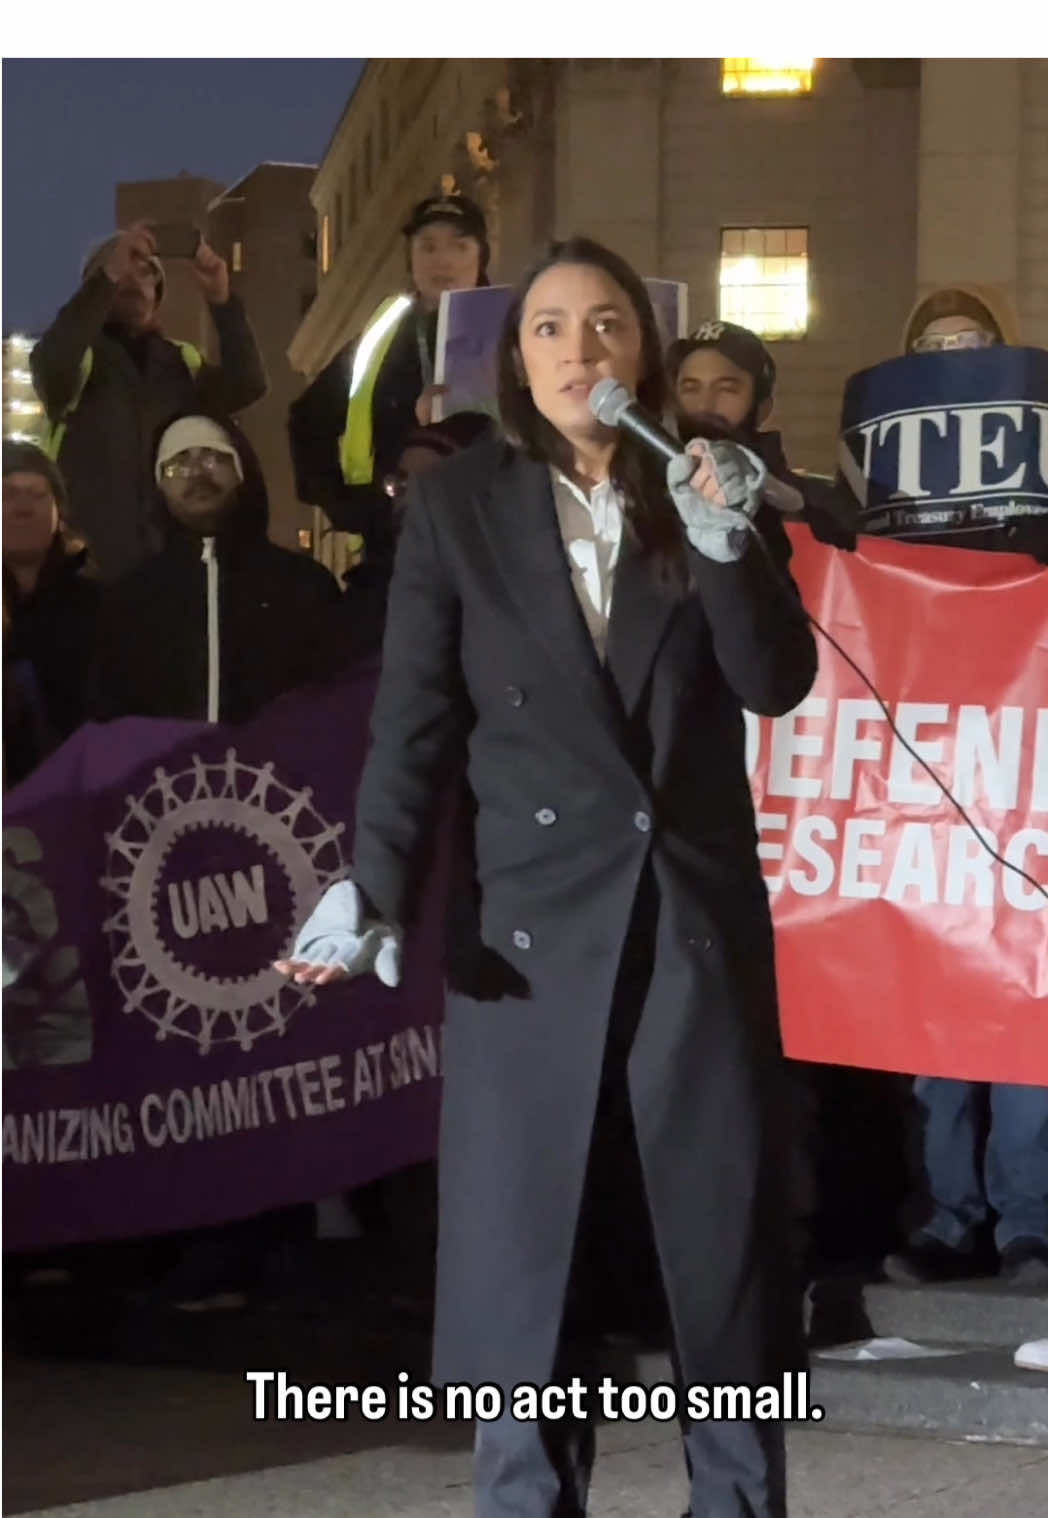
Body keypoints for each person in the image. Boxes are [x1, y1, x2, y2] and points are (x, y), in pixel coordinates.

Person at [276, 237, 818, 1518]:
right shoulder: (462, 506)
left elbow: (775, 681)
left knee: (718, 1251)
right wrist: (377, 883)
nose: (583, 350)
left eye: (609, 325)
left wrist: (726, 537)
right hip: (522, 939)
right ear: (516, 361)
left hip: (689, 922)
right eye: (552, 329)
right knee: (531, 1257)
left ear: (647, 350)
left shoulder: (696, 486)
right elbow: (414, 716)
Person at [872, 284, 1048, 1287]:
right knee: (937, 1020)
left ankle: (1025, 1221)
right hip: (931, 788)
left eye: (971, 344)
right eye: (933, 344)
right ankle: (948, 1215)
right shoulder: (886, 512)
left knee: (1025, 1008)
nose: (953, 356)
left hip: (1022, 782)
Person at [30, 222, 267, 582]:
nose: (135, 281)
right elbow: (52, 363)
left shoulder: (181, 363)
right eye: (123, 270)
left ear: (157, 293)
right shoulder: (79, 362)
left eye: (146, 273)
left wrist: (223, 301)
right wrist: (107, 275)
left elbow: (248, 385)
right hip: (88, 575)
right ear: (98, 289)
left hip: (169, 572)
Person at [287, 193, 490, 601]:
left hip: (491, 544)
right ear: (410, 258)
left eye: (459, 246)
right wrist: (347, 505)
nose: (442, 260)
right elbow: (308, 418)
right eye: (427, 247)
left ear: (482, 255)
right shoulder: (383, 335)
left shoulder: (516, 328)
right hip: (395, 548)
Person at [89, 413, 339, 725]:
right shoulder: (128, 601)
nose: (196, 473)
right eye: (178, 463)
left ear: (240, 473)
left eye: (213, 457)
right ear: (160, 486)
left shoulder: (306, 587)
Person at [667, 320, 858, 549]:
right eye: (691, 388)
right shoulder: (643, 493)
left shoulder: (809, 501)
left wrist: (783, 500)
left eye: (726, 388)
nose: (704, 405)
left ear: (763, 408)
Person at [3, 441, 100, 788]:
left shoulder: (99, 607)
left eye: (37, 494)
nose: (23, 507)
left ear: (59, 512)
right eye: (8, 493)